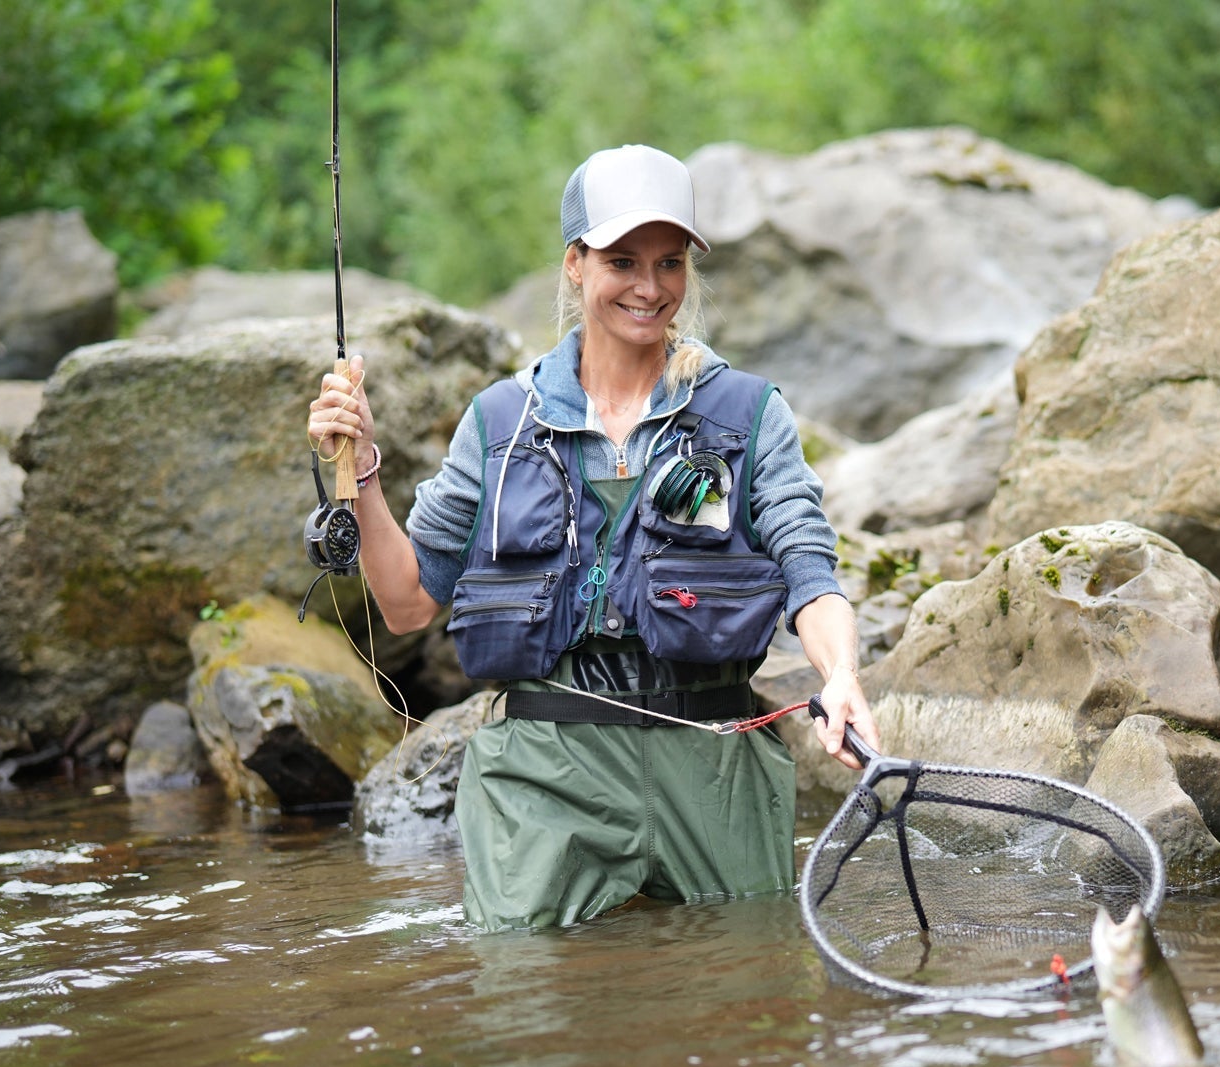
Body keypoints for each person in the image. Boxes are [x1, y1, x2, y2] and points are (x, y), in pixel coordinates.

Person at [306, 144, 878, 932]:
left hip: (714, 766)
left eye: (670, 263)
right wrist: (363, 472)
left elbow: (810, 572)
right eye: (622, 260)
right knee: (526, 1006)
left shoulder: (749, 414)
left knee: (745, 1007)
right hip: (545, 770)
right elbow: (405, 605)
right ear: (575, 264)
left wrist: (841, 673)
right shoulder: (499, 424)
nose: (650, 288)